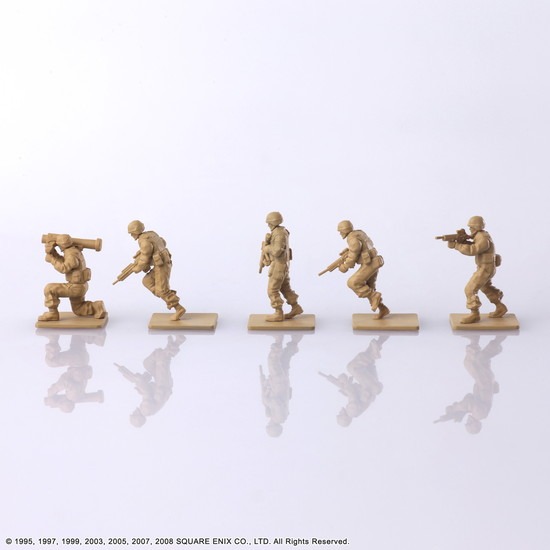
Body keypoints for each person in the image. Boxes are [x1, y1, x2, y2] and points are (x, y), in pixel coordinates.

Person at [447, 216, 507, 324]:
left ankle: (474, 314)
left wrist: (457, 245)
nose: (470, 229)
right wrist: (463, 241)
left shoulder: (483, 238)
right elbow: (474, 245)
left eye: (471, 227)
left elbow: (473, 250)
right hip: (485, 267)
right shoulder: (480, 235)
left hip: (485, 268)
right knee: (485, 287)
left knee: (470, 289)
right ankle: (500, 307)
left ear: (476, 227)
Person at [126, 220, 185, 320]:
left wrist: (137, 268)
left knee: (162, 290)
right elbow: (163, 242)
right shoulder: (151, 234)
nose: (131, 235)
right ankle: (164, 295)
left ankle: (179, 308)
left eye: (131, 233)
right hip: (161, 263)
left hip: (162, 265)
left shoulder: (143, 241)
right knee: (147, 281)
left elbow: (144, 259)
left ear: (135, 231)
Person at [38, 234, 106, 322]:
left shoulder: (71, 254)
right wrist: (53, 253)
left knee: (49, 289)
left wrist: (52, 260)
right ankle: (97, 306)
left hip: (76, 287)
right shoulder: (72, 251)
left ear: (61, 245)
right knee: (78, 309)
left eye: (58, 244)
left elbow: (64, 268)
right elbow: (64, 261)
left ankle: (52, 313)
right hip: (79, 285)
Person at [336, 220, 390, 319]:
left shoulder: (352, 239)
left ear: (344, 230)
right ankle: (383, 309)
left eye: (340, 231)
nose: (340, 233)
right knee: (369, 288)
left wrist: (344, 267)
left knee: (353, 282)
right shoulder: (359, 233)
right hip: (374, 261)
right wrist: (348, 251)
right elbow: (362, 247)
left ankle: (374, 297)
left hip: (370, 264)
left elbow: (353, 256)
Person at [260, 211, 303, 322]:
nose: (268, 225)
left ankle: (278, 312)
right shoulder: (281, 231)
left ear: (272, 223)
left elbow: (276, 251)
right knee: (285, 288)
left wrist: (266, 248)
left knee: (272, 290)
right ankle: (296, 307)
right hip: (282, 265)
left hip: (279, 266)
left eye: (269, 223)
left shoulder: (279, 234)